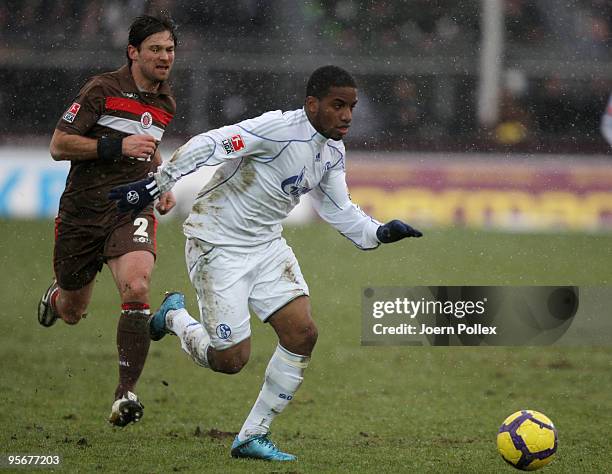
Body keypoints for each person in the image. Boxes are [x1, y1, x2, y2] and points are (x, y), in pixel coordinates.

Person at [109, 65, 422, 460]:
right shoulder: (277, 130)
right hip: (217, 243)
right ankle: (174, 317)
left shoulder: (332, 151)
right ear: (312, 104)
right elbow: (211, 142)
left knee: (303, 334)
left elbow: (340, 210)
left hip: (267, 245)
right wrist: (159, 181)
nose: (347, 116)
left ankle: (251, 436)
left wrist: (380, 233)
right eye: (337, 105)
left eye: (352, 107)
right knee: (230, 360)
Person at [37, 14, 178, 427]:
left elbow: (149, 149)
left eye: (169, 50)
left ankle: (125, 395)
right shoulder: (102, 89)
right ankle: (55, 298)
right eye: (155, 49)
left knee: (137, 285)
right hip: (82, 212)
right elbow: (59, 145)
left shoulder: (166, 101)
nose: (164, 57)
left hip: (130, 207)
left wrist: (161, 180)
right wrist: (115, 145)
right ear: (133, 52)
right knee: (72, 311)